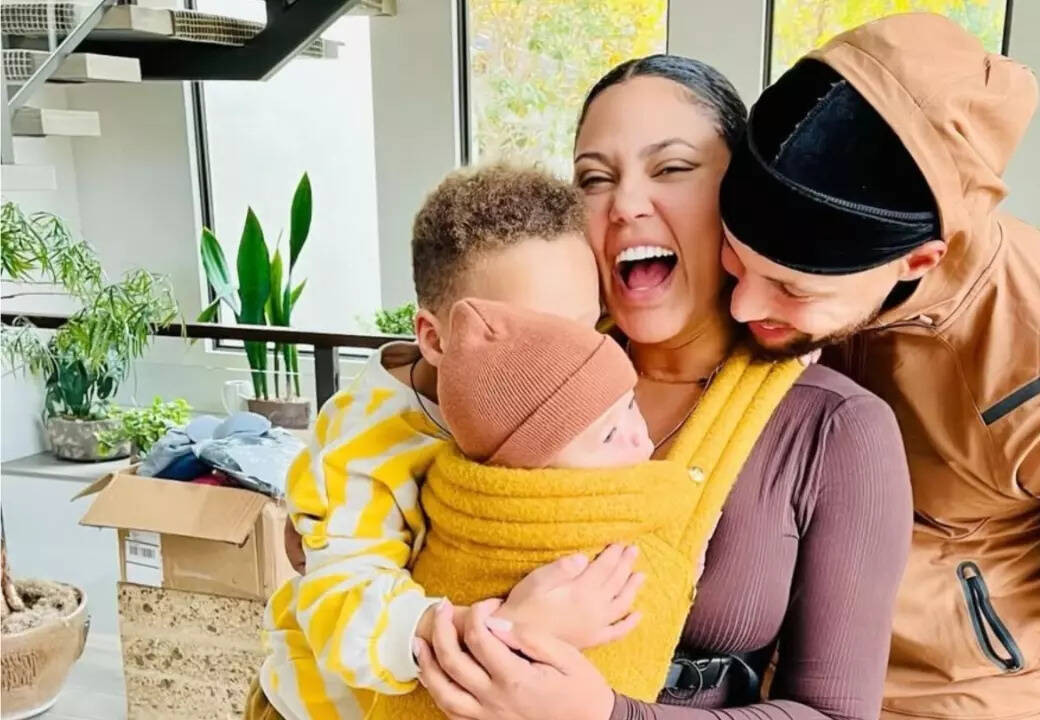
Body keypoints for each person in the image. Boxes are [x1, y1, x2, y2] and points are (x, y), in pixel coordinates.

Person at [717, 14, 1040, 719]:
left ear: (917, 261)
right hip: (754, 669)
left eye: (792, 288)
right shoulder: (779, 289)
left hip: (937, 696)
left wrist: (977, 630)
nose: (742, 306)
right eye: (736, 260)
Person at [416, 55, 913, 720]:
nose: (625, 205)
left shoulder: (835, 427)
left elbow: (835, 714)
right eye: (594, 179)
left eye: (672, 168)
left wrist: (605, 715)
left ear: (738, 196)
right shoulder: (504, 381)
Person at [252, 165, 649, 720]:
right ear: (435, 339)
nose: (576, 360)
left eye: (587, 329)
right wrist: (510, 629)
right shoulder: (361, 448)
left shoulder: (566, 391)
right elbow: (340, 609)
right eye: (536, 338)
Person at [382, 297, 802, 720]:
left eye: (631, 406)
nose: (638, 436)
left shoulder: (449, 492)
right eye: (609, 436)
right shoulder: (556, 520)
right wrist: (516, 634)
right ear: (532, 472)